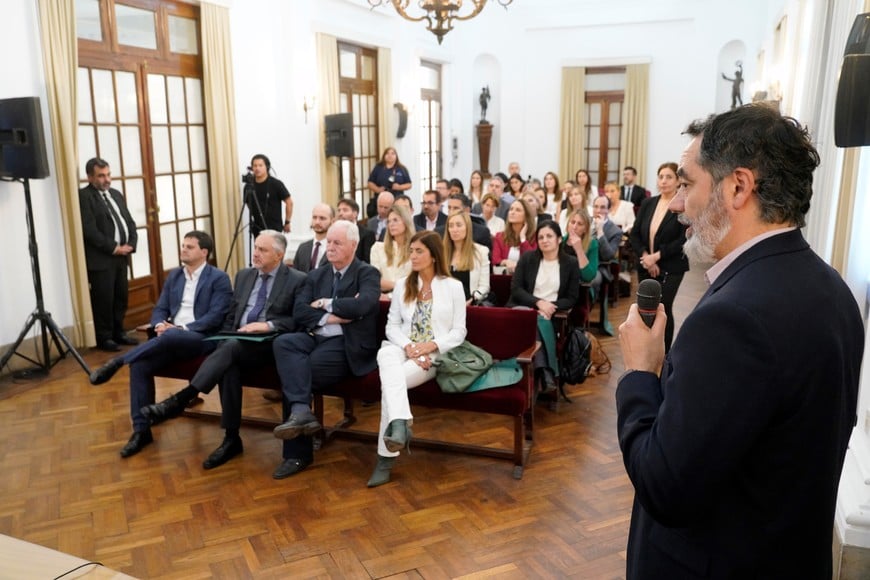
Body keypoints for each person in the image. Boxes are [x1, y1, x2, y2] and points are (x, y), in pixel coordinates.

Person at [616, 104, 864, 578]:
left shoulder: (731, 319)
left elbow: (665, 486)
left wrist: (640, 374)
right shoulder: (833, 289)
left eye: (687, 184)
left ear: (737, 186)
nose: (674, 203)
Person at [139, 230, 307, 469]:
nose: (255, 253)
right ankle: (231, 438)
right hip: (235, 342)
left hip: (270, 344)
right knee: (229, 362)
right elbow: (230, 315)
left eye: (263, 250)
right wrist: (224, 337)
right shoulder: (244, 275)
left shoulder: (297, 279)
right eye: (255, 247)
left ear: (279, 256)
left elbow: (298, 321)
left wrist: (267, 325)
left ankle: (182, 399)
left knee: (231, 349)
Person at [88, 231, 233, 458]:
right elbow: (160, 309)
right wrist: (158, 324)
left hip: (201, 338)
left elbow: (215, 317)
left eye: (190, 247)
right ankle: (141, 431)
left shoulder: (219, 278)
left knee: (168, 337)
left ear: (204, 252)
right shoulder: (175, 276)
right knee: (140, 364)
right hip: (169, 338)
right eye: (183, 245)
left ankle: (117, 361)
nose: (183, 249)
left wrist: (179, 329)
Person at [271, 220, 381, 479]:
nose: (329, 247)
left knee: (298, 373)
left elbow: (363, 305)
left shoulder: (367, 273)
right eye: (328, 242)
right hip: (316, 335)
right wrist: (333, 315)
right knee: (284, 343)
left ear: (353, 245)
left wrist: (325, 303)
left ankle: (296, 455)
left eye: (336, 243)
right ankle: (301, 412)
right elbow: (299, 311)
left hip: (347, 344)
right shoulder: (317, 274)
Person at [367, 231, 467, 487]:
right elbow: (392, 326)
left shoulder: (453, 287)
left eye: (419, 251)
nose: (412, 256)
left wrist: (429, 348)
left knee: (391, 382)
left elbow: (458, 332)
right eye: (411, 251)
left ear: (433, 255)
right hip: (404, 348)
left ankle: (386, 458)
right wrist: (411, 347)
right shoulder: (403, 284)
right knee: (385, 352)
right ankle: (400, 425)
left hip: (433, 355)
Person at [508, 220, 580, 390]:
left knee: (539, 320)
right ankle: (547, 371)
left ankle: (541, 372)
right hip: (523, 309)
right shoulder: (528, 258)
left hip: (551, 314)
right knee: (534, 318)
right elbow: (516, 289)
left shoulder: (570, 263)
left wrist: (550, 306)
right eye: (540, 237)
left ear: (559, 239)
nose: (544, 240)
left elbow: (571, 298)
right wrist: (539, 303)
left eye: (549, 236)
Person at [79, 157, 139, 352]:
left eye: (108, 174)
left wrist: (131, 244)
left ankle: (119, 332)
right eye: (101, 176)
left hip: (122, 256)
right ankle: (104, 337)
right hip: (102, 259)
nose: (106, 180)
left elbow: (128, 221)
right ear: (90, 177)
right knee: (104, 298)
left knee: (121, 296)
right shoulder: (84, 197)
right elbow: (89, 230)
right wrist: (114, 247)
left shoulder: (115, 194)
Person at [630, 162, 688, 351]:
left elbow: (682, 240)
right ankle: (646, 348)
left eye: (669, 177)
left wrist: (656, 257)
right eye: (660, 176)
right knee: (646, 308)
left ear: (678, 180)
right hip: (646, 264)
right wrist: (646, 257)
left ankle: (664, 353)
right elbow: (635, 234)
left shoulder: (682, 205)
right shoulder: (648, 203)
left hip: (671, 265)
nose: (663, 181)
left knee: (663, 308)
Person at [442, 211, 490, 304]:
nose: (454, 229)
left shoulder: (481, 252)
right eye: (451, 226)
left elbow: (484, 286)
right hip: (445, 302)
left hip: (470, 302)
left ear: (467, 228)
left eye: (459, 225)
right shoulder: (441, 252)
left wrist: (472, 299)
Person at [370, 205, 414, 300]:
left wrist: (392, 289)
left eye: (395, 220)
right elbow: (375, 280)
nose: (391, 224)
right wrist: (399, 285)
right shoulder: (378, 248)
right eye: (389, 221)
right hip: (382, 298)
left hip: (407, 298)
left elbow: (414, 282)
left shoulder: (415, 249)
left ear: (406, 222)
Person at [246, 154, 293, 236]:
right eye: (255, 166)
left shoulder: (276, 184)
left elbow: (289, 202)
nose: (257, 168)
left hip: (274, 228)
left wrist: (287, 222)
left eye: (260, 165)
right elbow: (248, 203)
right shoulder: (249, 186)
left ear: (267, 167)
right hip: (257, 228)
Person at [492, 199, 537, 274]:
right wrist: (506, 262)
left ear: (526, 216)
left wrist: (523, 238)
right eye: (511, 209)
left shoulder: (535, 237)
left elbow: (532, 260)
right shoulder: (500, 236)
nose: (512, 212)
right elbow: (495, 260)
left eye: (518, 210)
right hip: (505, 279)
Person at [366, 147, 411, 217]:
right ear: (384, 156)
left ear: (396, 156)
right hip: (381, 199)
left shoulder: (402, 169)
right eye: (387, 153)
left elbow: (409, 184)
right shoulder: (378, 167)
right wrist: (377, 189)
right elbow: (370, 183)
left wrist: (399, 187)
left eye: (393, 154)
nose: (390, 155)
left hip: (397, 200)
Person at [562, 210, 599, 286]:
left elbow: (588, 277)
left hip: (579, 286)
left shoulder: (592, 244)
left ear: (585, 229)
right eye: (572, 222)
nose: (574, 227)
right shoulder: (561, 242)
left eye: (579, 224)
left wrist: (579, 250)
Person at [292, 203, 334, 272]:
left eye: (322, 218)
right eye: (314, 217)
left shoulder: (336, 248)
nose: (317, 222)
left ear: (332, 221)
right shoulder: (303, 248)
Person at [337, 197, 375, 264]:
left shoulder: (367, 234)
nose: (340, 213)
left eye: (345, 210)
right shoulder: (335, 233)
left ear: (355, 214)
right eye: (339, 210)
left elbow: (367, 261)